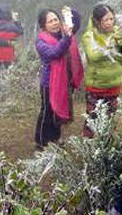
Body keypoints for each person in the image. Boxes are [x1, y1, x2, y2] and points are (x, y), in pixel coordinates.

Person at [35, 8, 84, 148]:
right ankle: (41, 141)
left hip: (63, 81)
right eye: (50, 21)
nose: (54, 23)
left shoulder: (63, 32)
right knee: (47, 111)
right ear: (43, 26)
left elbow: (77, 23)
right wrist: (67, 37)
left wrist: (70, 12)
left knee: (57, 111)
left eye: (56, 19)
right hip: (49, 83)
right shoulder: (41, 41)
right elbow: (55, 53)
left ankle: (55, 138)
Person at [81, 4, 122, 138]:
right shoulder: (89, 36)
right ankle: (87, 144)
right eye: (105, 20)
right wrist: (110, 47)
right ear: (97, 21)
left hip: (114, 84)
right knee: (93, 118)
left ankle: (105, 145)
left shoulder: (118, 32)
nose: (109, 23)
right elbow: (93, 56)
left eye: (111, 19)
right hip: (96, 86)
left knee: (109, 118)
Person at [0, 3, 24, 87]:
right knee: (10, 75)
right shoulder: (13, 28)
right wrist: (16, 20)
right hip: (9, 56)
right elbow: (21, 31)